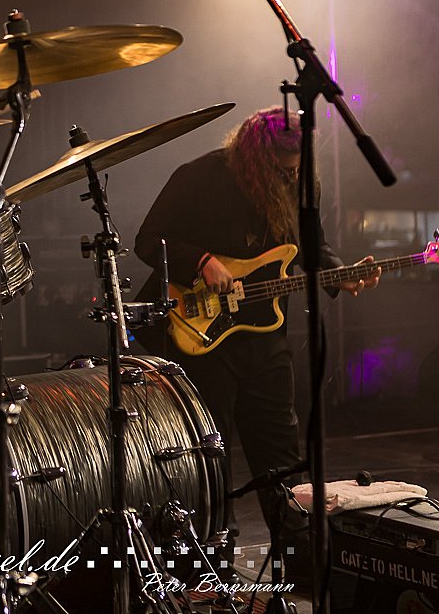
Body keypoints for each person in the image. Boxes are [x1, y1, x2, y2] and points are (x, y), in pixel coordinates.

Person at [132, 105, 380, 581]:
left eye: (296, 167)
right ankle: (208, 568)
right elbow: (149, 239)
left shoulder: (300, 180)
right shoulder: (201, 175)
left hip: (265, 335)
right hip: (201, 335)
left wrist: (339, 274)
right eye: (281, 169)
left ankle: (300, 564)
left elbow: (311, 244)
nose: (291, 175)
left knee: (281, 451)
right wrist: (201, 261)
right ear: (254, 158)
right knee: (209, 451)